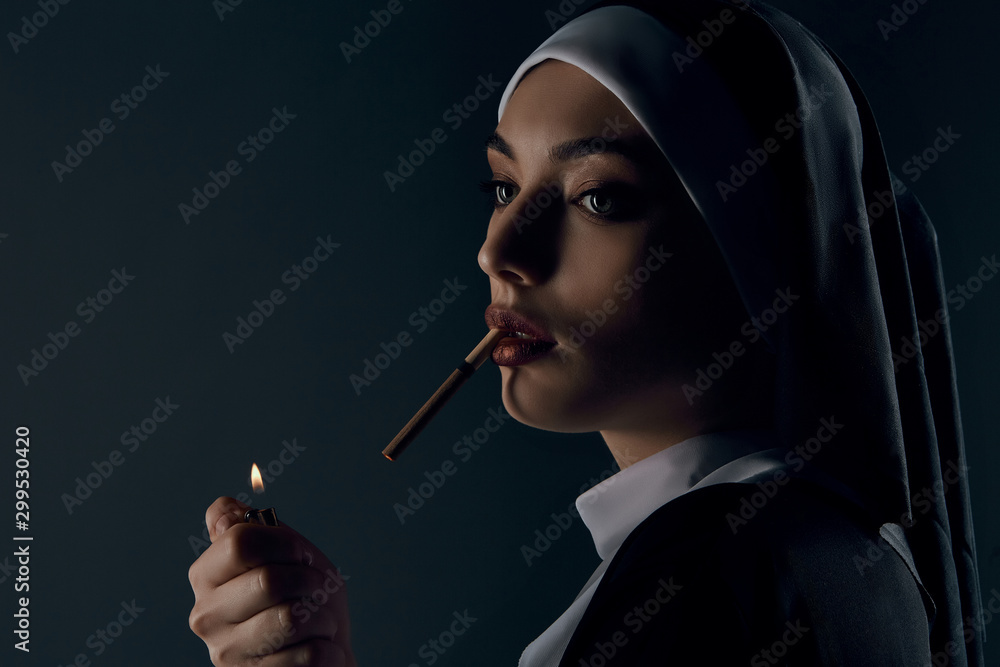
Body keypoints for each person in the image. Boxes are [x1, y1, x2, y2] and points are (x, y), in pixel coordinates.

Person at [188, 1, 984, 664]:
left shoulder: (714, 574)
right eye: (504, 185)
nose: (499, 249)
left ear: (762, 258)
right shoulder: (828, 545)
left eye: (598, 198)